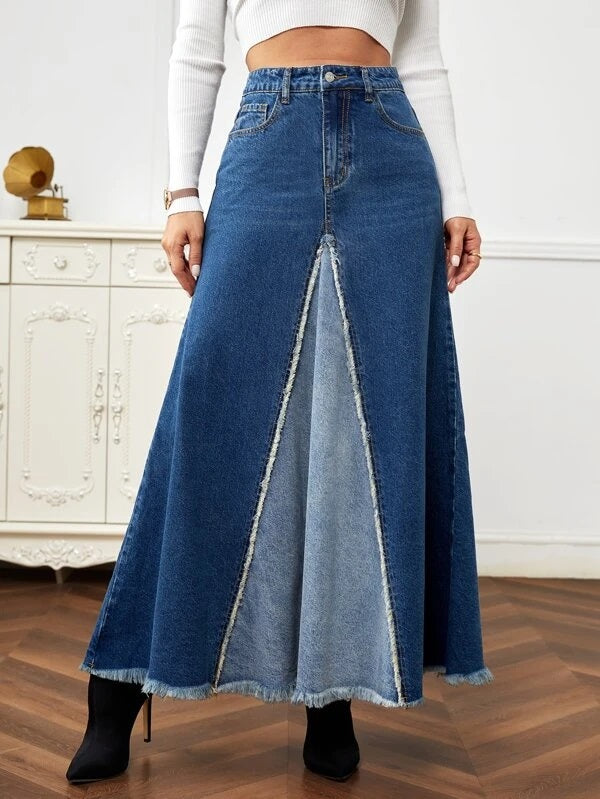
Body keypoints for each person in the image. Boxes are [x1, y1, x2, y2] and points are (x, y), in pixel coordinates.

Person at [66, 0, 494, 785]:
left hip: (392, 153)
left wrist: (458, 194)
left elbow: (423, 59)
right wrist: (181, 193)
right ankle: (119, 680)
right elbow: (197, 49)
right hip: (269, 137)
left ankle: (330, 692)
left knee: (359, 425)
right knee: (209, 405)